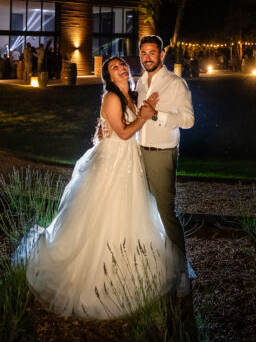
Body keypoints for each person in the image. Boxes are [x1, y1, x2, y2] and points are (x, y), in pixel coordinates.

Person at [16, 57, 178, 319]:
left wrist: (148, 112)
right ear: (109, 77)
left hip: (129, 162)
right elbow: (124, 133)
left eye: (123, 64)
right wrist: (144, 116)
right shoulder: (112, 99)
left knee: (132, 212)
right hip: (113, 164)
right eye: (114, 68)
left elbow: (113, 131)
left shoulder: (132, 97)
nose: (121, 69)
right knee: (107, 214)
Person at [135, 35, 195, 296]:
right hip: (137, 152)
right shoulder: (139, 82)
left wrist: (156, 114)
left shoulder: (175, 84)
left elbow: (189, 120)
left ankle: (182, 272)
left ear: (161, 55)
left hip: (161, 153)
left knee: (165, 212)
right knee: (143, 210)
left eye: (152, 53)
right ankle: (156, 263)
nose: (148, 57)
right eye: (144, 53)